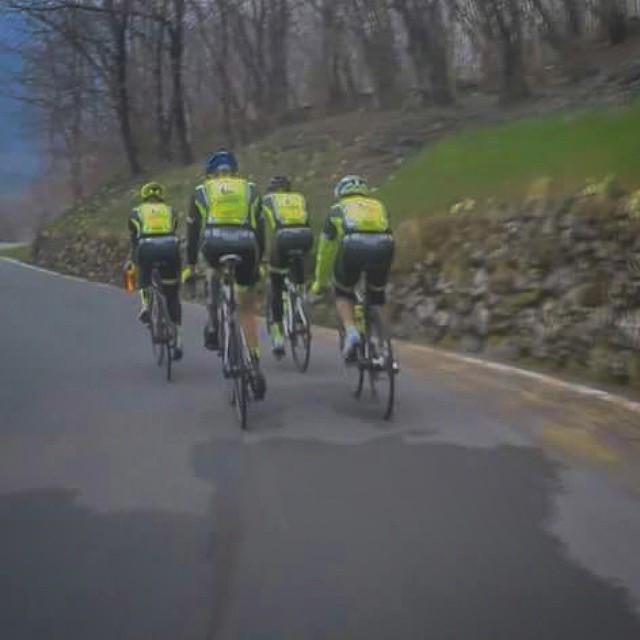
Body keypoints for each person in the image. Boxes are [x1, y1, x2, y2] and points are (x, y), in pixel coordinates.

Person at [182, 150, 266, 399]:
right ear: (234, 171)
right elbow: (260, 228)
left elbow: (193, 232)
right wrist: (259, 261)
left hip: (214, 243)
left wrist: (189, 266)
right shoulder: (249, 189)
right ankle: (254, 361)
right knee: (247, 307)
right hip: (246, 243)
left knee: (213, 271)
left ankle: (212, 322)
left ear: (210, 174)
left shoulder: (202, 190)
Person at [311, 175, 394, 362]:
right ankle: (385, 344)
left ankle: (351, 332)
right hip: (384, 245)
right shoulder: (379, 206)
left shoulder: (337, 209)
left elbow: (325, 250)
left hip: (353, 245)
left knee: (343, 292)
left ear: (340, 192)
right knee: (377, 295)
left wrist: (320, 280)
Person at [127, 182, 183, 360]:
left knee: (142, 274)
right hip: (169, 247)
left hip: (146, 247)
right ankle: (178, 338)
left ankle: (145, 305)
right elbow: (173, 228)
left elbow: (134, 240)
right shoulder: (170, 210)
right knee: (172, 293)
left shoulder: (136, 212)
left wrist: (133, 261)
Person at [262, 175, 313, 356]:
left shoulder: (268, 200)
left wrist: (263, 255)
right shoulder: (300, 198)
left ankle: (277, 336)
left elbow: (261, 227)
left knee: (276, 284)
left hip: (282, 238)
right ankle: (299, 304)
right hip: (305, 236)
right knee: (298, 278)